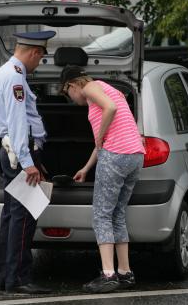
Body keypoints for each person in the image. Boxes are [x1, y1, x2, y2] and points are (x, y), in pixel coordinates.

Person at [60, 65, 146, 293]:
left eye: (65, 93)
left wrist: (99, 137)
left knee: (101, 215)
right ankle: (125, 273)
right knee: (117, 214)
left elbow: (110, 110)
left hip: (116, 155)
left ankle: (108, 275)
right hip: (135, 156)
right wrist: (86, 168)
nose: (70, 98)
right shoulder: (109, 88)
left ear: (71, 85)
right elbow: (105, 139)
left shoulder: (89, 87)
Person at [0, 30, 55, 294]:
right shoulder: (15, 78)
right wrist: (29, 162)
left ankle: (6, 275)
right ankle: (19, 278)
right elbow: (18, 123)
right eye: (40, 58)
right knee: (23, 219)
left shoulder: (3, 72)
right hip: (20, 154)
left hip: (12, 153)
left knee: (11, 216)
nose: (39, 63)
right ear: (34, 52)